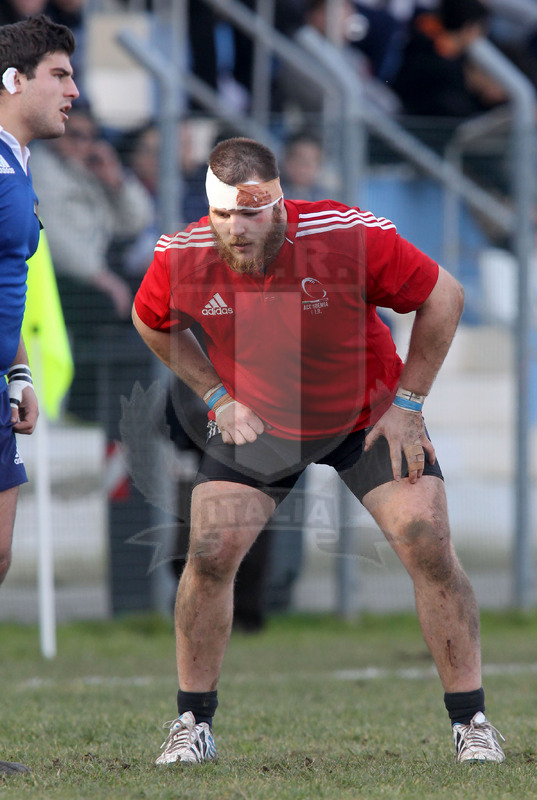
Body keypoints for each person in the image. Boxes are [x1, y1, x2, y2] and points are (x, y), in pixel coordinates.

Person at [132, 136, 506, 766]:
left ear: (279, 205)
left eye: (250, 213)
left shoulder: (346, 235)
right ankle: (192, 724)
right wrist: (218, 397)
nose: (236, 229)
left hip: (367, 416)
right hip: (264, 422)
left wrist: (409, 406)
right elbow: (151, 321)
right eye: (224, 215)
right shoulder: (182, 254)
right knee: (209, 550)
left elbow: (445, 296)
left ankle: (471, 722)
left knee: (427, 540)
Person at [0, 14, 78, 774]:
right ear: (12, 80)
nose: (74, 92)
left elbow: (8, 289)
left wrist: (19, 370)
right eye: (59, 75)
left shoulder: (17, 166)